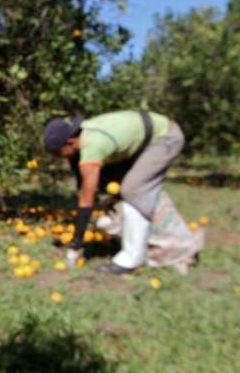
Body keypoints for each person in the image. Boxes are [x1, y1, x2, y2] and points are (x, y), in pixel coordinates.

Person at [43, 110, 185, 274]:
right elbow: (83, 181)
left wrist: (75, 244)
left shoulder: (93, 145)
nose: (58, 157)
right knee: (122, 190)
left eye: (57, 153)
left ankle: (131, 260)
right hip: (145, 140)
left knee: (133, 189)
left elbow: (86, 199)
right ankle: (162, 241)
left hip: (164, 138)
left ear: (70, 142)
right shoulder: (83, 138)